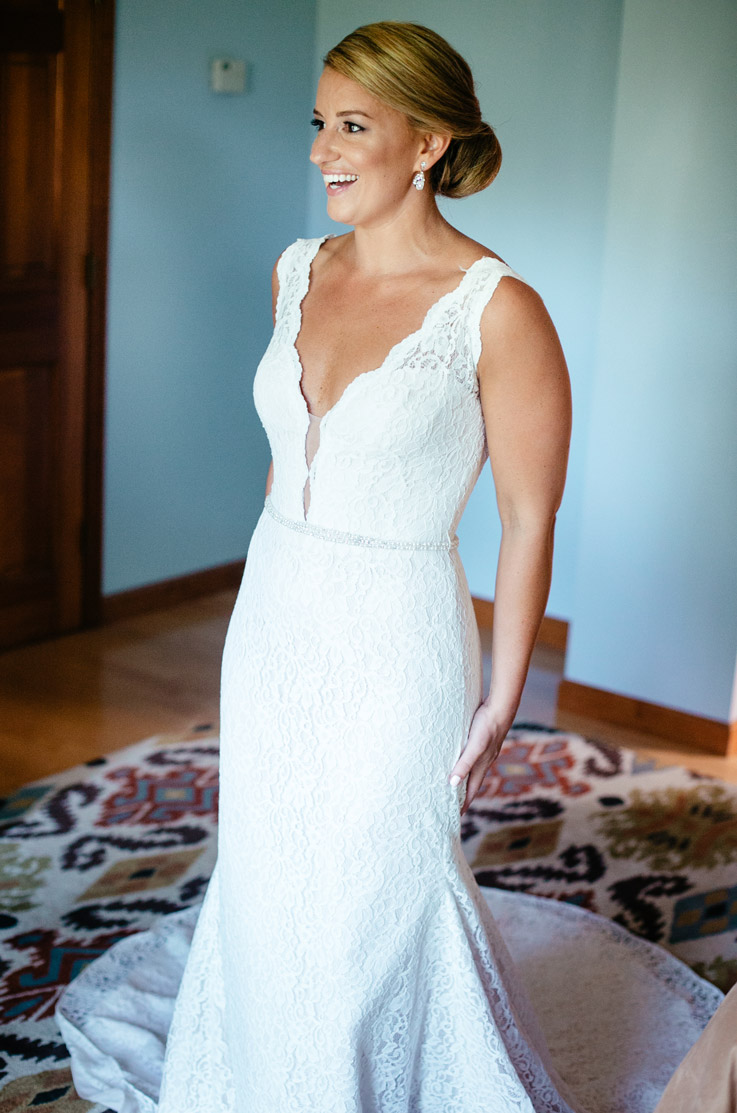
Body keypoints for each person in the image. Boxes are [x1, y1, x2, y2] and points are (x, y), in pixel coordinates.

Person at [55, 21, 722, 1113]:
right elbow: (289, 468)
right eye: (318, 123)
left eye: (353, 126)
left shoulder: (496, 310)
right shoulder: (293, 271)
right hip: (276, 613)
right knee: (271, 866)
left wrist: (504, 693)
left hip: (395, 627)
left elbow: (526, 514)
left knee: (374, 881)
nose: (323, 148)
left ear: (428, 143)